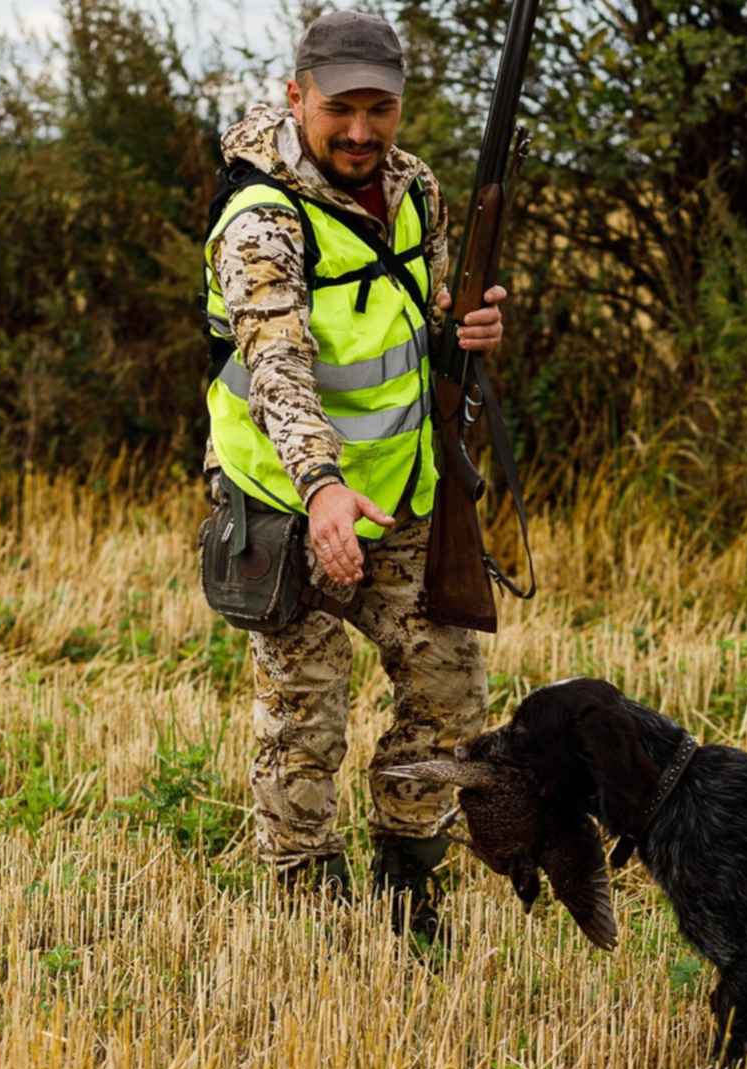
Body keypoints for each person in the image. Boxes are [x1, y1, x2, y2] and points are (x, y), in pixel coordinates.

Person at [200, 10, 507, 943]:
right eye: (341, 110)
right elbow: (277, 366)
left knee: (450, 700)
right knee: (306, 718)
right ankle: (306, 913)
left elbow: (430, 319)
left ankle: (408, 887)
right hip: (283, 506)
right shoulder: (261, 219)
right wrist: (323, 487)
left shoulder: (415, 189)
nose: (362, 132)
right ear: (299, 99)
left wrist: (470, 330)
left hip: (404, 498)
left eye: (381, 110)